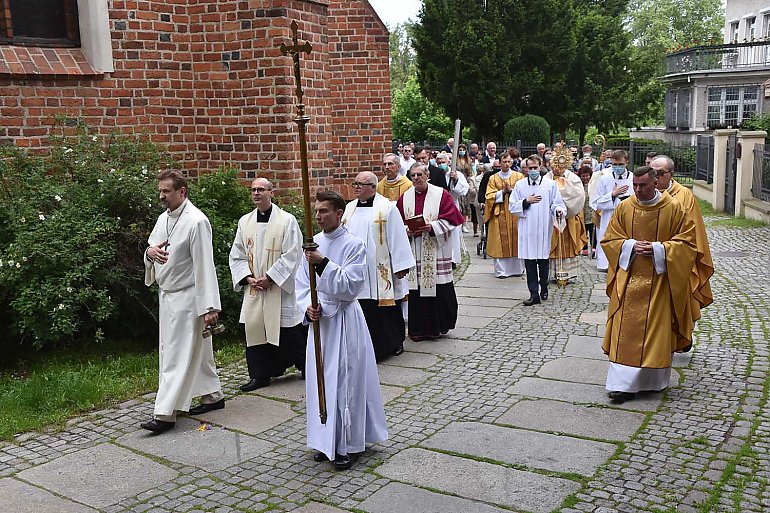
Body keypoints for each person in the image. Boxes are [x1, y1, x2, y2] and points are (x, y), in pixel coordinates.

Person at [297, 191, 388, 470]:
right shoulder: (312, 245)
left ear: (339, 213)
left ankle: (348, 444)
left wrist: (322, 263)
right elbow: (301, 283)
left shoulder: (354, 244)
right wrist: (307, 307)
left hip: (345, 322)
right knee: (321, 380)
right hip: (321, 325)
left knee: (345, 382)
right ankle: (326, 441)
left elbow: (351, 286)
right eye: (317, 211)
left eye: (324, 211)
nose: (319, 216)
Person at [601, 166, 697, 403]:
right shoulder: (625, 207)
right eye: (634, 185)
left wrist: (658, 249)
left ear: (656, 183)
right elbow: (610, 239)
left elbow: (688, 244)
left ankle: (653, 381)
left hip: (660, 282)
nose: (637, 190)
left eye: (642, 185)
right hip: (629, 280)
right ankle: (620, 385)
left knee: (656, 333)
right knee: (624, 331)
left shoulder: (674, 209)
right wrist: (629, 246)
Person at [141, 170, 224, 434]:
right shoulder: (163, 218)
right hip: (168, 296)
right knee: (195, 350)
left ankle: (165, 413)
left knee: (175, 356)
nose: (161, 196)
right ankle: (212, 395)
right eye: (160, 191)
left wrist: (208, 307)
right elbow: (152, 248)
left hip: (188, 297)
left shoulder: (197, 221)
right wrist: (149, 252)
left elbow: (204, 266)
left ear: (182, 191)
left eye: (166, 191)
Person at [228, 178, 305, 392]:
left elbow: (293, 254)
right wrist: (248, 278)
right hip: (255, 288)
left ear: (272, 192)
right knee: (254, 329)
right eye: (253, 190)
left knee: (288, 331)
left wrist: (271, 278)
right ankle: (259, 375)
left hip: (277, 287)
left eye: (261, 189)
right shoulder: (245, 222)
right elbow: (237, 254)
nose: (256, 193)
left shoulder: (287, 221)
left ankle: (305, 364)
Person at [342, 171, 415, 361]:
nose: (356, 187)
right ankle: (367, 345)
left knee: (387, 309)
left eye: (361, 184)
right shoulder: (349, 209)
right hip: (357, 268)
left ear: (373, 188)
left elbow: (397, 237)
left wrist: (401, 265)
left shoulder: (388, 208)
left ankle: (394, 342)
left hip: (381, 269)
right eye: (355, 183)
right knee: (364, 308)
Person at [396, 164, 464, 340]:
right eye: (413, 175)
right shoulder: (405, 198)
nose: (416, 178)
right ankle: (417, 330)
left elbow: (452, 220)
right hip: (415, 249)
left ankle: (437, 327)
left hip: (435, 249)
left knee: (438, 289)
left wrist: (432, 227)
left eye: (419, 174)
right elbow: (397, 223)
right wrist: (406, 230)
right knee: (416, 291)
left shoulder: (441, 194)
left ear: (427, 175)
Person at [650, 155, 714, 333]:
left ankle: (683, 334)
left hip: (677, 257)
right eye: (652, 173)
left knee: (680, 298)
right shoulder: (646, 193)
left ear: (671, 174)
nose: (656, 178)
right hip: (652, 256)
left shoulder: (684, 195)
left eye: (660, 173)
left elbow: (692, 230)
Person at [511, 157, 566, 305]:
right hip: (527, 228)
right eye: (530, 168)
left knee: (543, 260)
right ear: (526, 169)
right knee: (529, 262)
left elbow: (556, 203)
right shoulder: (520, 185)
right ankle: (533, 293)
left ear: (540, 167)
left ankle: (544, 287)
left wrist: (559, 211)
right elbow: (512, 206)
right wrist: (525, 202)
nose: (533, 171)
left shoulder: (550, 184)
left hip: (542, 228)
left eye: (535, 168)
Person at [591, 149, 633, 272]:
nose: (617, 167)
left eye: (620, 164)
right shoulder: (604, 179)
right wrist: (612, 195)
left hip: (628, 216)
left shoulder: (633, 178)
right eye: (615, 165)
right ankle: (605, 263)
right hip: (608, 216)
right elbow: (596, 202)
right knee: (608, 238)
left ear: (626, 162)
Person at [484, 153, 525, 278]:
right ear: (499, 163)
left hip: (515, 214)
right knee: (499, 241)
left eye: (509, 161)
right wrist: (502, 192)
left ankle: (518, 269)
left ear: (511, 162)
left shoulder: (519, 176)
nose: (507, 164)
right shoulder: (493, 178)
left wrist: (511, 191)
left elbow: (524, 193)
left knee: (517, 240)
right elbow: (488, 196)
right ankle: (501, 271)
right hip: (499, 212)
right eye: (504, 161)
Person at [547, 161, 586, 281]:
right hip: (551, 218)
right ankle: (552, 273)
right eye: (554, 164)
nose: (556, 168)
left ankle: (569, 273)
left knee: (568, 243)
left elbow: (579, 195)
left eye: (559, 165)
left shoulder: (573, 178)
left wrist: (565, 186)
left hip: (569, 218)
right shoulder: (546, 178)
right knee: (553, 243)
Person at [431, 152, 468, 265]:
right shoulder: (435, 174)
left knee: (453, 233)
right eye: (439, 163)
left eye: (444, 162)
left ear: (448, 163)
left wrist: (456, 180)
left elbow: (464, 190)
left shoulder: (457, 174)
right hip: (437, 207)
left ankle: (452, 259)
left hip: (452, 205)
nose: (442, 164)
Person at [576, 164, 595, 256]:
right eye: (583, 176)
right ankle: (584, 248)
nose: (585, 178)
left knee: (592, 231)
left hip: (591, 213)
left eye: (587, 175)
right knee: (583, 230)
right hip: (582, 212)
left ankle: (594, 248)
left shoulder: (594, 185)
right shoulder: (578, 186)